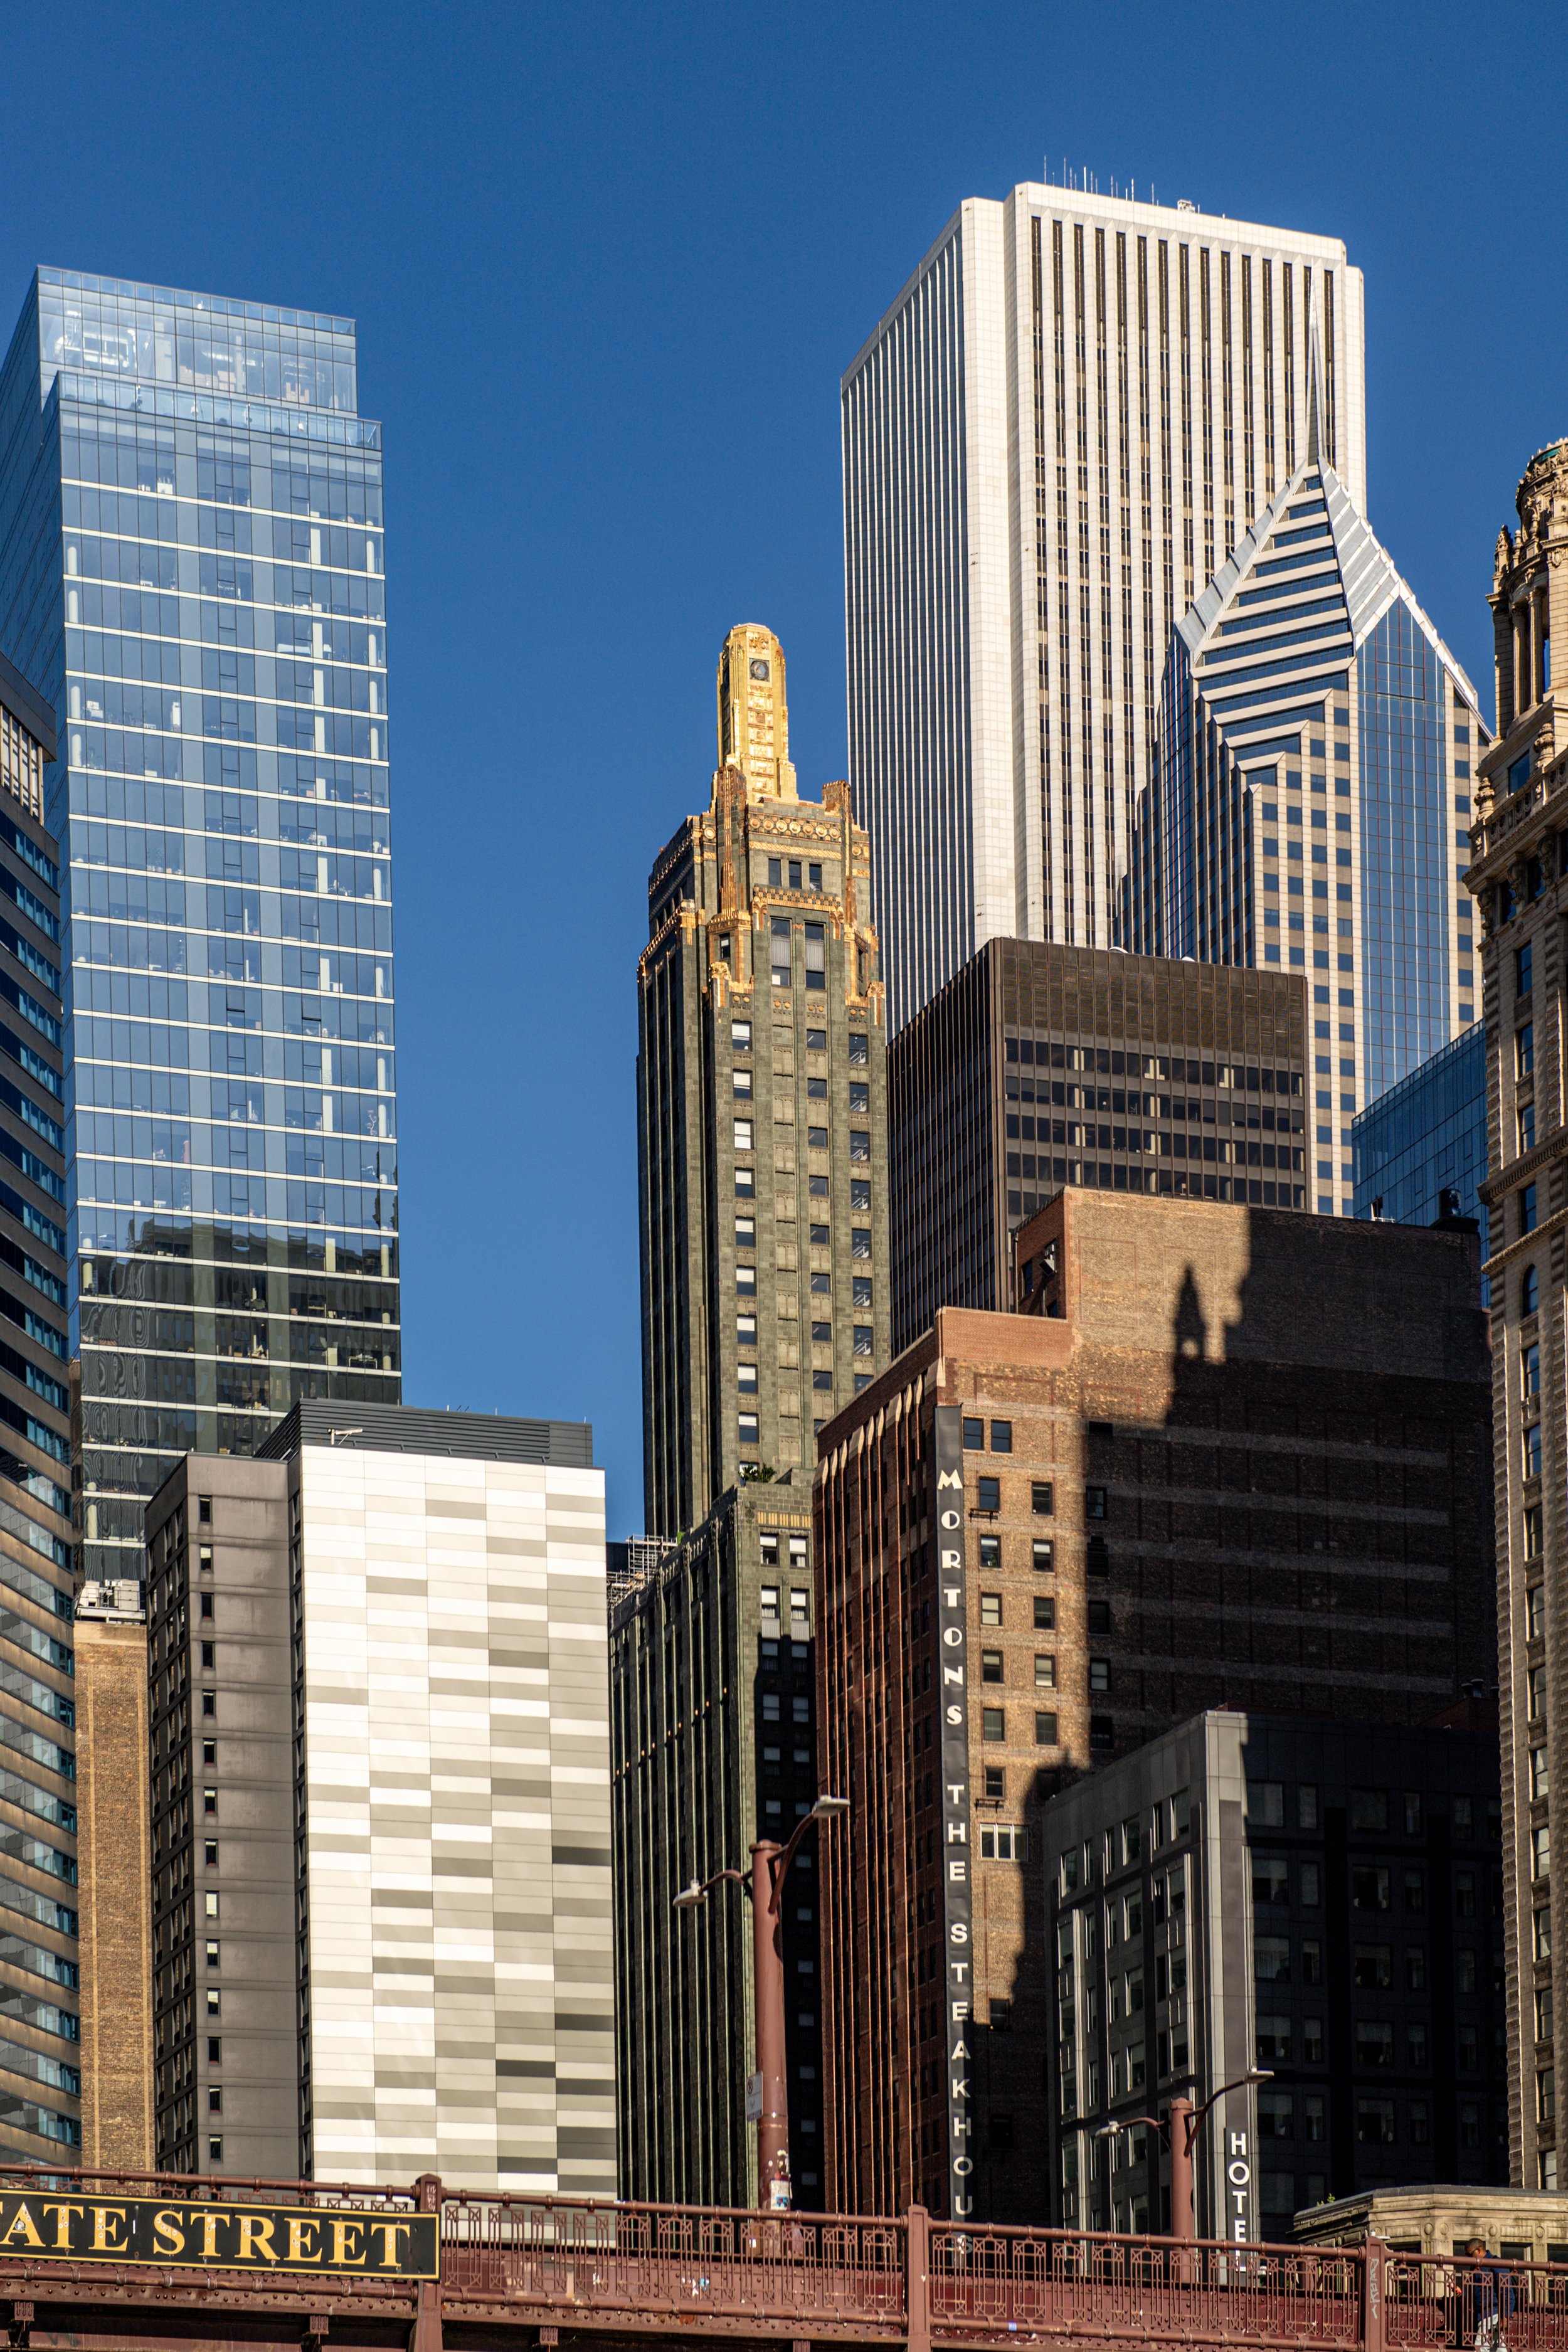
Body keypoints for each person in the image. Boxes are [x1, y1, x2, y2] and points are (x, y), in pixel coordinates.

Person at [1466, 2239, 1514, 2351]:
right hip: (1487, 2314)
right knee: (1498, 2348)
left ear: (1479, 2250)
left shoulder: (1495, 2263)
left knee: (1481, 2348)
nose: (1467, 2258)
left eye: (1469, 2254)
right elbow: (1474, 2293)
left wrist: (1506, 2315)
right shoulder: (1475, 2268)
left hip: (1491, 2314)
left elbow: (1507, 2291)